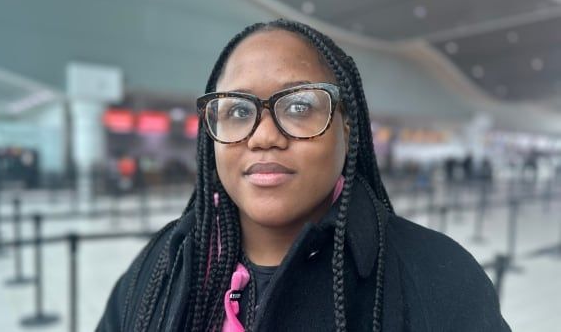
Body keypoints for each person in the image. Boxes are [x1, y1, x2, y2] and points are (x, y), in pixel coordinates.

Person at [97, 19, 510, 332]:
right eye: (239, 111)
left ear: (346, 127)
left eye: (298, 107)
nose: (263, 137)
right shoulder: (161, 268)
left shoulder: (439, 278)